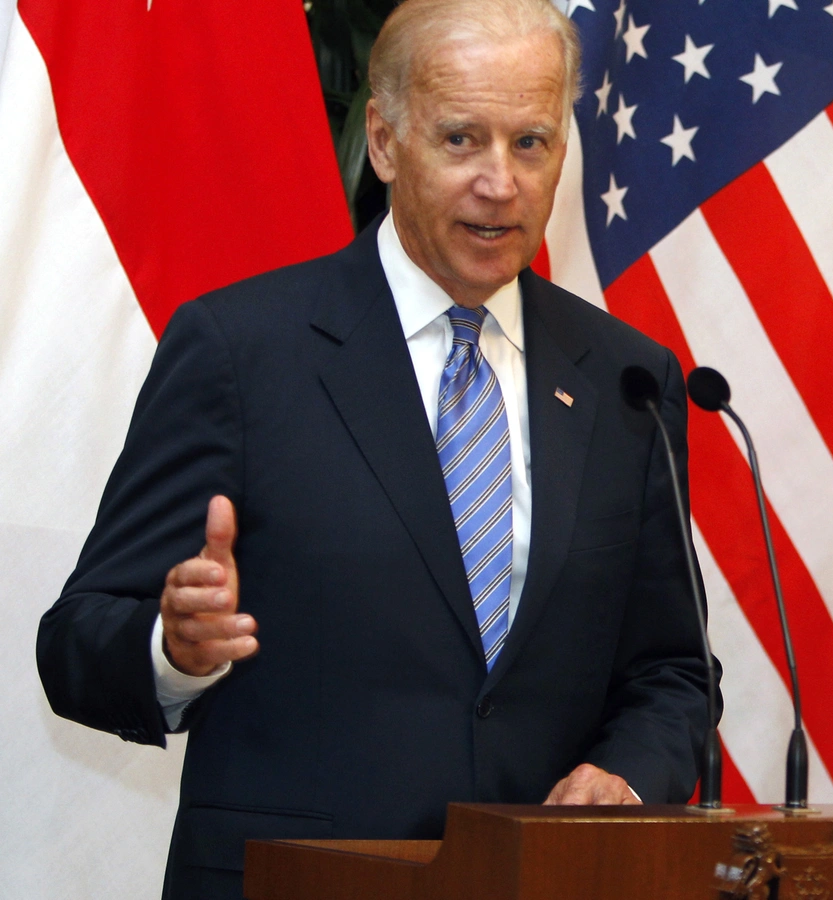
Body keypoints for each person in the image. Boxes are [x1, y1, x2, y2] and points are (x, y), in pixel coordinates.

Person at [35, 1, 712, 897]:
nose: (500, 183)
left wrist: (625, 778)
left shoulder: (629, 377)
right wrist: (174, 646)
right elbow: (75, 639)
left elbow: (672, 667)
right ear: (386, 143)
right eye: (462, 139)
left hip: (542, 881)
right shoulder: (241, 350)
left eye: (532, 143)